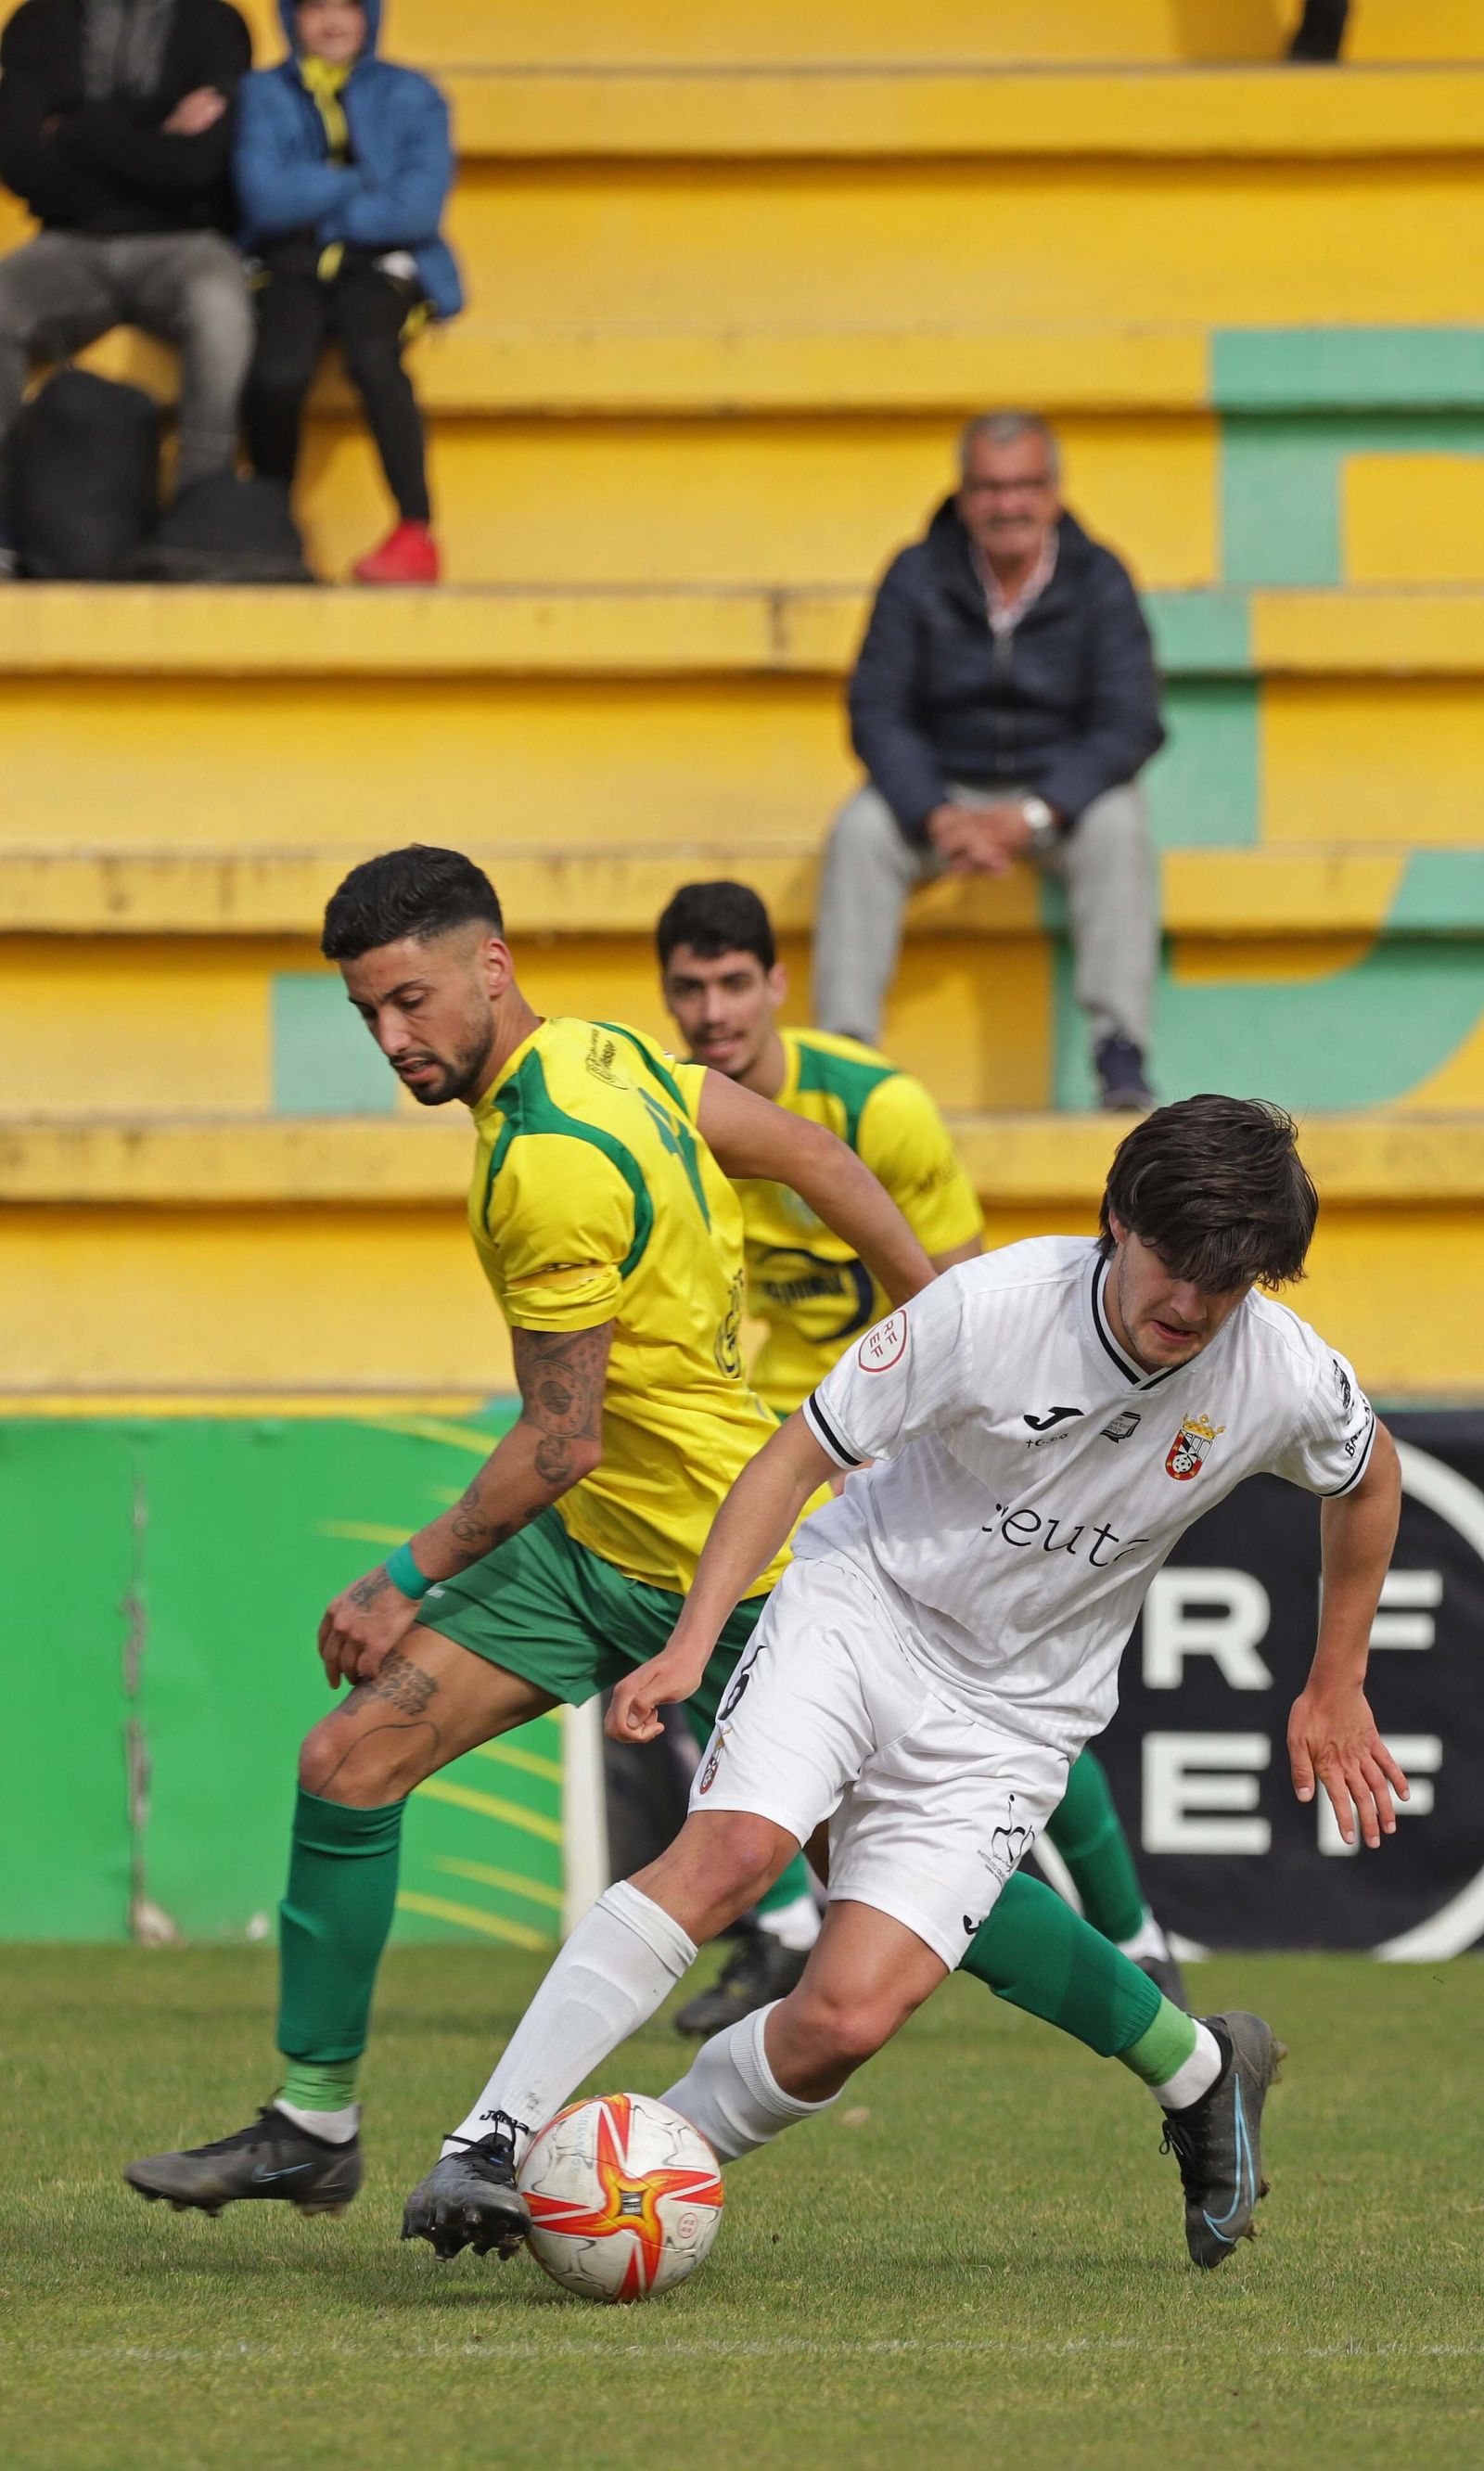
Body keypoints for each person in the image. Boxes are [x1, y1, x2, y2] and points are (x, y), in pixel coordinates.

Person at [396, 1095, 1407, 2275]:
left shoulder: (1278, 1370)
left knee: (843, 2022)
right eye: (1173, 1266)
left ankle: (607, 2188)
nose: (1187, 1307)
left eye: (1224, 1288)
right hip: (859, 1609)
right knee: (733, 1854)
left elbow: (1368, 1479)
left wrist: (1334, 1683)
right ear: (1115, 1222)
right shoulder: (986, 1312)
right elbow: (792, 1459)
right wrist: (691, 1643)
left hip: (1017, 1712)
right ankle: (493, 2141)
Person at [122, 844, 933, 2221]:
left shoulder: (544, 1160)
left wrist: (400, 1573)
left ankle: (1186, 2056)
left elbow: (563, 1439)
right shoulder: (604, 1054)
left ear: (490, 967)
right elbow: (808, 1151)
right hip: (591, 1552)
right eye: (370, 1012)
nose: (393, 1038)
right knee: (349, 1756)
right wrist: (937, 1322)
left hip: (728, 1567)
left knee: (898, 1876)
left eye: (413, 1000)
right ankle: (312, 2121)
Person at [655, 877, 1185, 2038]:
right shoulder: (677, 1124)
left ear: (777, 986)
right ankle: (790, 1926)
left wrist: (908, 1439)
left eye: (733, 982)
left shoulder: (876, 1109)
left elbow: (961, 1295)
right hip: (791, 1429)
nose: (711, 1011)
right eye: (688, 988)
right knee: (732, 1635)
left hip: (914, 1422)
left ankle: (1136, 1935)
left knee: (996, 1680)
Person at [813, 411, 1164, 1113]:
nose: (1009, 504)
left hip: (1054, 800)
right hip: (940, 791)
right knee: (859, 832)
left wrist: (1034, 811)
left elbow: (1132, 721)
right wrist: (935, 812)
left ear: (1056, 492)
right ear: (964, 495)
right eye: (990, 487)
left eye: (1026, 484)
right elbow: (875, 712)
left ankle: (1119, 1049)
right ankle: (844, 1060)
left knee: (1121, 825)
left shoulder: (1100, 577)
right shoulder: (915, 573)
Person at [0, 0, 253, 573]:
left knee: (222, 308)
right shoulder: (38, 22)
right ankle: (6, 522)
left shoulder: (216, 25)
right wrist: (157, 131)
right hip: (68, 243)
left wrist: (74, 131)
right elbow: (19, 161)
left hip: (184, 241)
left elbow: (199, 168)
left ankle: (198, 509)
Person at [234, 2, 460, 584]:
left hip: (378, 264)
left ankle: (415, 531)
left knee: (374, 357)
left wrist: (320, 215)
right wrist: (362, 180)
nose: (333, 23)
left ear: (371, 18)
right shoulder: (262, 94)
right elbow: (265, 197)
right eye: (315, 9)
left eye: (348, 8)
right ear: (290, 20)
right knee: (276, 374)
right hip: (288, 264)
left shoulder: (414, 95)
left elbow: (416, 208)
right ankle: (270, 526)